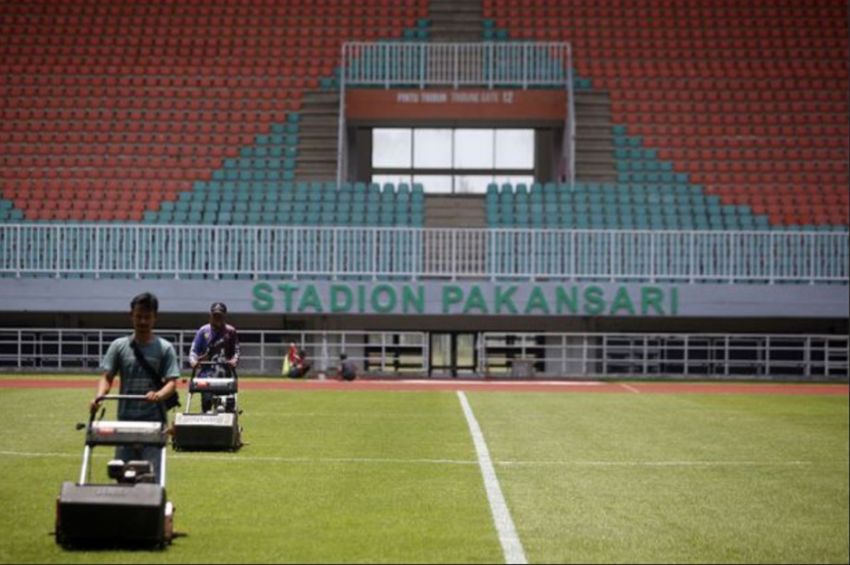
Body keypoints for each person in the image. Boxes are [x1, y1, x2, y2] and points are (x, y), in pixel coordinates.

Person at [90, 292, 180, 482]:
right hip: (124, 424)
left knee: (152, 478)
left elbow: (172, 382)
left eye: (147, 317)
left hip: (155, 424)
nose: (143, 321)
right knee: (122, 477)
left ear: (155, 318)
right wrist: (99, 397)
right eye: (139, 316)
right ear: (131, 315)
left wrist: (159, 394)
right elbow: (107, 377)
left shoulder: (165, 348)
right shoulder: (119, 346)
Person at [189, 302, 240, 412]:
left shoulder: (230, 331)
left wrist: (234, 360)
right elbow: (193, 351)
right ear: (210, 315)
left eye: (220, 316)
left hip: (225, 374)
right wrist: (194, 361)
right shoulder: (203, 331)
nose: (217, 318)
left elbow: (236, 351)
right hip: (206, 374)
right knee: (206, 404)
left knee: (229, 406)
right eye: (215, 315)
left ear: (224, 316)